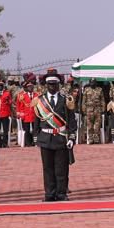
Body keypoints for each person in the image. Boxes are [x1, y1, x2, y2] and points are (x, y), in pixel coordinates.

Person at [33, 73, 77, 201]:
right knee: (47, 168)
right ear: (46, 85)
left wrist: (72, 137)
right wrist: (36, 137)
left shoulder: (66, 99)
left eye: (55, 84)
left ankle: (61, 193)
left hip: (60, 137)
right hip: (46, 137)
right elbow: (36, 121)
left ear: (59, 85)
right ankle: (49, 193)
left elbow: (72, 120)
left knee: (61, 168)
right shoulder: (40, 101)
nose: (52, 87)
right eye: (50, 84)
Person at [15, 81, 37, 147]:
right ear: (27, 88)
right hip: (26, 115)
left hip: (35, 115)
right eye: (28, 87)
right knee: (26, 130)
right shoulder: (22, 96)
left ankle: (35, 142)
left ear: (33, 88)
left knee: (35, 130)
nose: (30, 88)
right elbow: (19, 105)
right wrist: (19, 113)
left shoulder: (37, 95)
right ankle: (28, 143)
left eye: (31, 87)